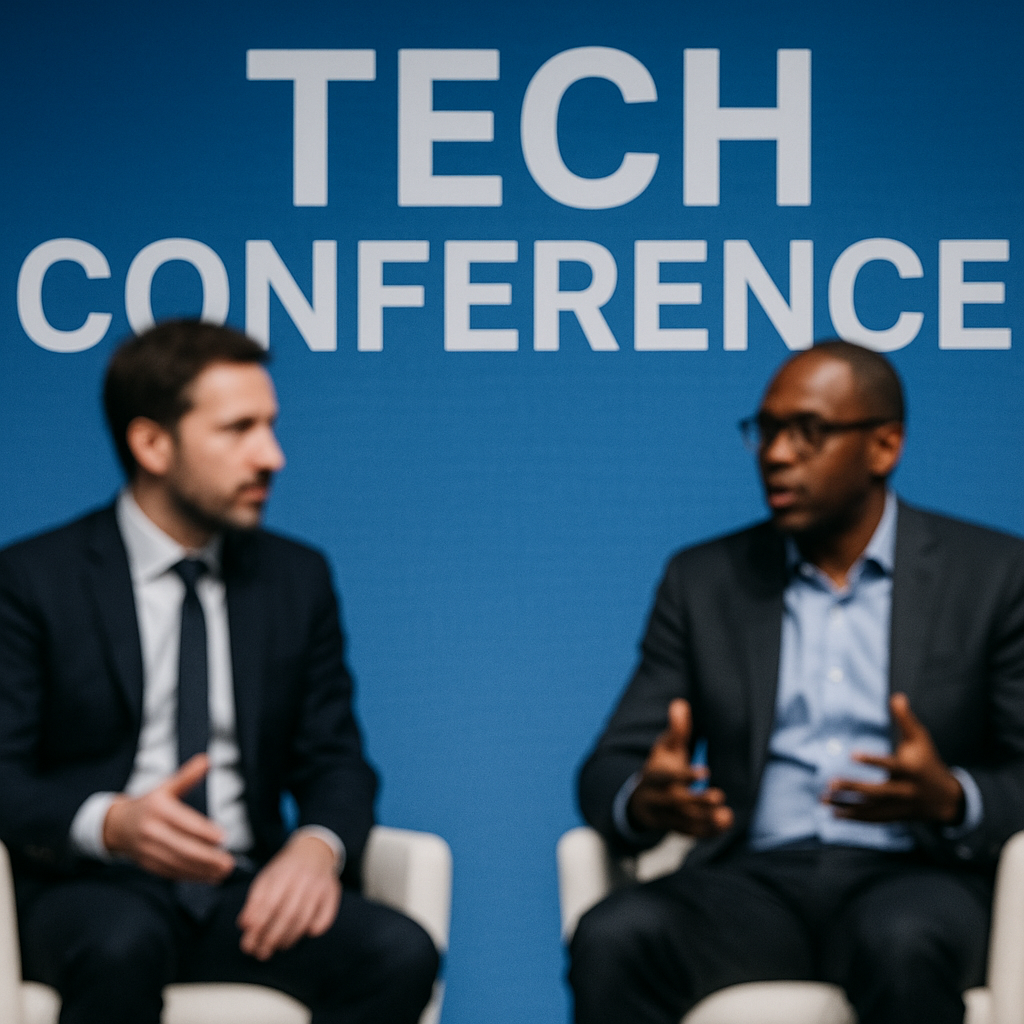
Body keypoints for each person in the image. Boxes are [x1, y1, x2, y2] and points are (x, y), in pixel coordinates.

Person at [570, 341, 1024, 1024]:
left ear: (884, 445)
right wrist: (648, 800)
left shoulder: (993, 575)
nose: (777, 454)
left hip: (916, 878)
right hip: (756, 884)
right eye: (767, 430)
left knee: (901, 944)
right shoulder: (704, 580)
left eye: (808, 432)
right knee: (615, 936)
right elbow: (607, 770)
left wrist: (951, 797)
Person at [0, 320, 438, 1024]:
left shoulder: (298, 578)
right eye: (239, 429)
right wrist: (111, 823)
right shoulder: (33, 579)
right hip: (89, 891)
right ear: (152, 444)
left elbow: (337, 763)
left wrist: (316, 848)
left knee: (397, 950)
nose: (272, 456)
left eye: (271, 426)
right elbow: (5, 776)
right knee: (122, 943)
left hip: (240, 893)